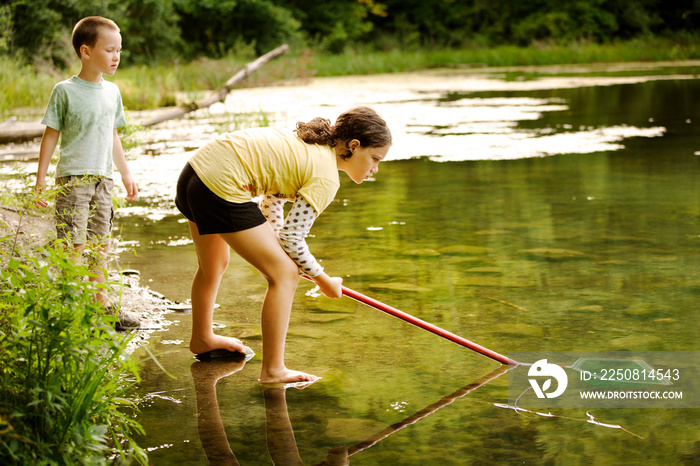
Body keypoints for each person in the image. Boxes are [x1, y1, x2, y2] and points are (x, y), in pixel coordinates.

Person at [175, 106, 392, 384]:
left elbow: (272, 200)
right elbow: (292, 237)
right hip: (220, 184)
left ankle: (203, 338)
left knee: (215, 263)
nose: (375, 168)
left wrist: (282, 251)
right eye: (375, 158)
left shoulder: (310, 147)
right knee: (285, 275)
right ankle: (274, 370)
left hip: (194, 174)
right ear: (354, 146)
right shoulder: (326, 177)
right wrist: (322, 279)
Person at [34, 16, 139, 329]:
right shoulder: (64, 90)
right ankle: (71, 306)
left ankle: (101, 306)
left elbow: (113, 136)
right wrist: (40, 180)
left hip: (103, 179)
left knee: (99, 243)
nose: (116, 56)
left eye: (119, 50)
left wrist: (125, 174)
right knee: (73, 245)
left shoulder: (112, 92)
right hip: (73, 179)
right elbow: (50, 135)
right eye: (109, 50)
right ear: (86, 52)